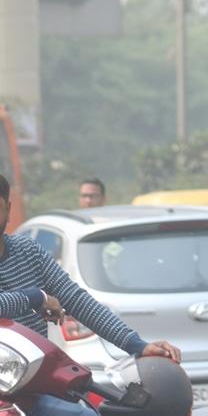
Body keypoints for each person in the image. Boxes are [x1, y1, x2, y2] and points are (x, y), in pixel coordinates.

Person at [0, 174, 181, 415]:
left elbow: (75, 298)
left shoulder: (28, 251)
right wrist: (37, 297)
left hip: (32, 385)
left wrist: (136, 345)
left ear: (8, 209)